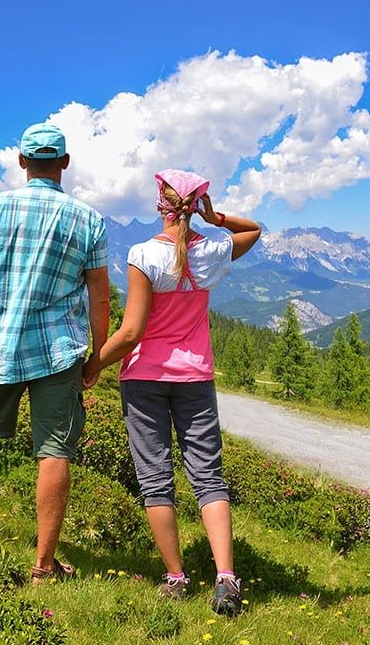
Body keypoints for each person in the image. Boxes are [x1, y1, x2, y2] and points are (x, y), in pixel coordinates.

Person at [83, 169, 260, 615]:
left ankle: (177, 578)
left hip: (143, 379)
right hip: (196, 378)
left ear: (160, 205)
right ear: (195, 204)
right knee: (208, 476)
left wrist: (93, 365)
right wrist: (215, 217)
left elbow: (131, 333)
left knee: (155, 478)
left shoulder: (144, 254)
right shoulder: (214, 251)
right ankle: (226, 578)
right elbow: (254, 230)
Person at [0, 122, 110, 584]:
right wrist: (98, 356)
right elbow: (100, 298)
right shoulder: (89, 220)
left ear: (22, 162)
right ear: (64, 163)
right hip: (58, 352)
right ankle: (44, 564)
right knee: (54, 451)